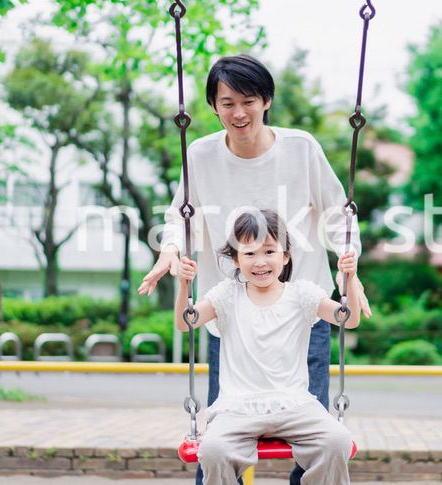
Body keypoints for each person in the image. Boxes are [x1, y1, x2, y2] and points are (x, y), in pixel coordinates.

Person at [137, 54, 370, 484]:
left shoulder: (300, 148)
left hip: (304, 307)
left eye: (248, 100)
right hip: (229, 310)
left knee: (315, 433)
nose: (238, 113)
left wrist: (348, 272)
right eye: (227, 103)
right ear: (213, 106)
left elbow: (339, 214)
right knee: (222, 432)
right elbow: (181, 217)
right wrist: (170, 250)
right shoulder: (201, 154)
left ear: (266, 101)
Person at [174, 210, 365, 485]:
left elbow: (349, 319)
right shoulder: (227, 295)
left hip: (294, 405)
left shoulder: (302, 294)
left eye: (269, 252)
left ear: (285, 256)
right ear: (236, 259)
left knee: (337, 441)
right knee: (213, 450)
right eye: (249, 253)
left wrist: (350, 280)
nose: (260, 262)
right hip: (237, 408)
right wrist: (184, 286)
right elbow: (185, 323)